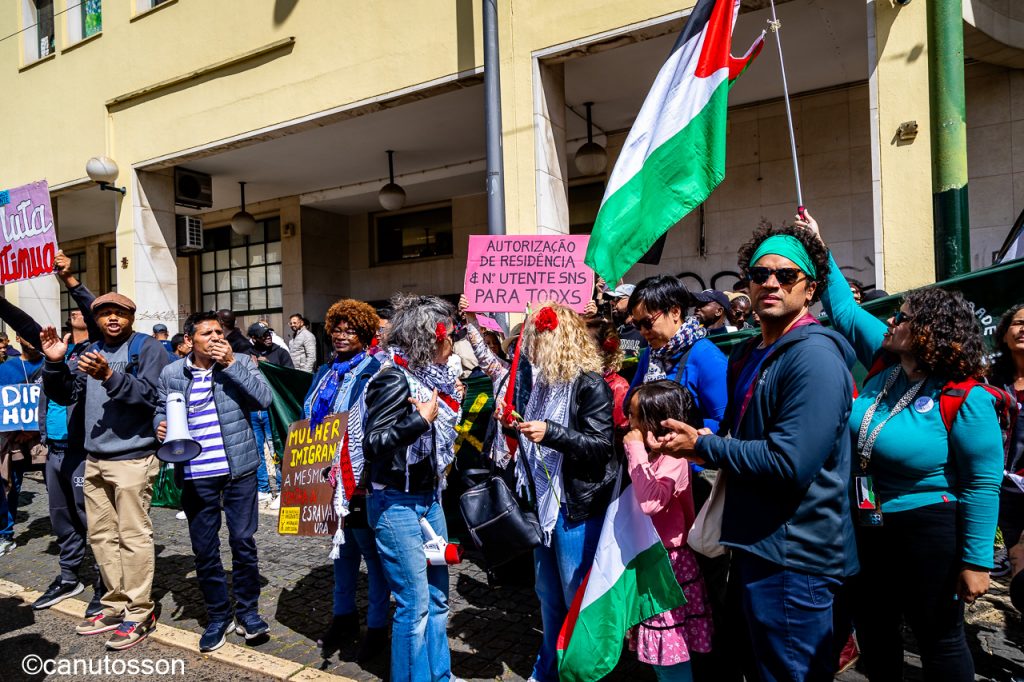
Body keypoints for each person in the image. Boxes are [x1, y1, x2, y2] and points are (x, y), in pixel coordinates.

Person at [651, 223, 858, 682]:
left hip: (795, 556)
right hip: (753, 544)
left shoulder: (814, 358)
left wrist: (704, 445)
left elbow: (790, 462)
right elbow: (736, 436)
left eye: (787, 276)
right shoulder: (751, 352)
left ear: (811, 290)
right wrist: (691, 444)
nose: (770, 283)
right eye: (760, 273)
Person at [803, 209, 1004, 681]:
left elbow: (982, 483)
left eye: (904, 317)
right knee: (874, 628)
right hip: (866, 520)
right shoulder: (885, 359)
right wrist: (817, 244)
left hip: (928, 528)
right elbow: (846, 310)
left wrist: (976, 561)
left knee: (938, 637)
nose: (891, 319)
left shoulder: (965, 395)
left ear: (929, 333)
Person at [41, 292, 169, 650]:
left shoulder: (146, 349)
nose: (112, 318)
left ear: (131, 316)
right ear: (96, 320)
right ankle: (114, 603)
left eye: (120, 313)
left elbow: (150, 398)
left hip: (133, 457)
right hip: (94, 457)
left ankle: (140, 612)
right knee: (101, 536)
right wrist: (54, 364)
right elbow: (67, 395)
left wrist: (111, 375)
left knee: (133, 536)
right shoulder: (87, 351)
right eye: (105, 313)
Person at [498, 303, 615, 682]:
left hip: (574, 510)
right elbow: (537, 442)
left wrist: (551, 432)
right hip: (545, 508)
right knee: (547, 597)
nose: (528, 351)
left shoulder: (588, 383)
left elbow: (600, 445)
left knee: (574, 597)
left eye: (534, 342)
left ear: (556, 341)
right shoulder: (544, 385)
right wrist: (515, 427)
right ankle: (548, 667)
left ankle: (579, 671)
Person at [154, 311, 273, 651]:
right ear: (190, 340)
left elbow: (263, 400)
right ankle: (218, 616)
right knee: (205, 551)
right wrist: (158, 425)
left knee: (243, 543)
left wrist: (233, 364)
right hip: (195, 473)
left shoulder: (242, 362)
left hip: (239, 470)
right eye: (207, 333)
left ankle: (248, 613)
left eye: (220, 332)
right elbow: (160, 408)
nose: (216, 338)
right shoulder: (172, 372)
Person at [362, 295, 463, 682]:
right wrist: (419, 421)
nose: (451, 344)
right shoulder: (391, 377)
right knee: (414, 604)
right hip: (396, 504)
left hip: (429, 499)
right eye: (447, 336)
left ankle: (440, 676)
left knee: (438, 599)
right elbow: (374, 443)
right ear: (430, 339)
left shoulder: (431, 378)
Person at [303, 299, 389, 661]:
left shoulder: (376, 371)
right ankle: (343, 618)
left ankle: (378, 625)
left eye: (350, 330)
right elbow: (308, 412)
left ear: (365, 334)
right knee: (342, 552)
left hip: (361, 476)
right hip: (327, 476)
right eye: (337, 329)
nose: (341, 336)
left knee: (371, 551)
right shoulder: (325, 371)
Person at [625, 380, 714, 682]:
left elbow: (651, 502)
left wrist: (635, 448)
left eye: (635, 416)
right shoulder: (650, 456)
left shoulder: (674, 460)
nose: (629, 423)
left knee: (670, 648)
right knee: (661, 651)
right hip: (651, 560)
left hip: (670, 565)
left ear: (655, 422)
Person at [626, 276, 728, 433]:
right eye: (637, 325)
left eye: (647, 322)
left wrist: (686, 431)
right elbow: (628, 404)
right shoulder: (649, 354)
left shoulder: (707, 357)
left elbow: (725, 423)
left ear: (675, 312)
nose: (643, 331)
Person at [992, 304, 1024, 549]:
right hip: (1006, 484)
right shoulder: (990, 381)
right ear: (1003, 334)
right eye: (1018, 323)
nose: (1023, 329)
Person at [586, 316, 630, 435]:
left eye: (585, 344)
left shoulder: (618, 386)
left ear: (601, 349)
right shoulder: (578, 379)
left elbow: (620, 430)